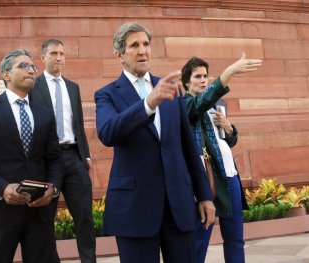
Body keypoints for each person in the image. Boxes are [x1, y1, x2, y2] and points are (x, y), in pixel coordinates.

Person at [94, 22, 216, 263]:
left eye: (146, 44)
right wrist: (148, 104)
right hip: (135, 209)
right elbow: (108, 133)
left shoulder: (171, 90)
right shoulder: (106, 94)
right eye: (134, 45)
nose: (142, 50)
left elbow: (187, 147)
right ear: (120, 55)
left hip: (178, 205)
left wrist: (204, 195)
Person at [0, 49, 63, 263]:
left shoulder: (44, 113)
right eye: (23, 66)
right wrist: (1, 188)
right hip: (0, 212)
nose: (31, 70)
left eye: (33, 67)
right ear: (6, 74)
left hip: (39, 213)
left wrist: (53, 188)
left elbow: (55, 158)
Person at [181, 54, 262, 263]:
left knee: (235, 237)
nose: (203, 80)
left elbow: (227, 141)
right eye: (197, 76)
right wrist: (229, 73)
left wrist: (229, 128)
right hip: (206, 179)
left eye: (206, 76)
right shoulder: (185, 105)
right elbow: (202, 101)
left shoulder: (218, 104)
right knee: (200, 240)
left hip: (229, 175)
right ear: (186, 82)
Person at [29, 39, 96, 263]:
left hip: (74, 157)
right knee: (45, 219)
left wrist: (85, 155)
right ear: (43, 57)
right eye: (54, 53)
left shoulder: (72, 87)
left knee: (85, 217)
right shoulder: (32, 87)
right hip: (46, 161)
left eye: (62, 54)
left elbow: (78, 124)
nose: (59, 58)